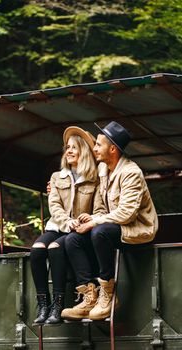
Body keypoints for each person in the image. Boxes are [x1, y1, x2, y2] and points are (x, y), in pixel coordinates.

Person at [61, 121, 158, 321]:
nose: (94, 148)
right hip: (112, 227)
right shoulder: (103, 169)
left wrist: (95, 223)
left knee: (99, 232)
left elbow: (126, 214)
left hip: (137, 231)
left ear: (112, 149)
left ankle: (109, 295)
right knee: (73, 239)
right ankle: (89, 296)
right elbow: (102, 209)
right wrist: (91, 218)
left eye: (99, 145)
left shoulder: (131, 172)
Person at [30, 126, 104, 324]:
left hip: (77, 231)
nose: (68, 151)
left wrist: (85, 219)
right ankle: (43, 304)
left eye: (74, 147)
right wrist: (66, 221)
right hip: (58, 225)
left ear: (84, 151)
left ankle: (58, 304)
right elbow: (54, 205)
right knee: (37, 250)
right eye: (67, 147)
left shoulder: (94, 179)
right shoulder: (56, 177)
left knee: (55, 248)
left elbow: (98, 209)